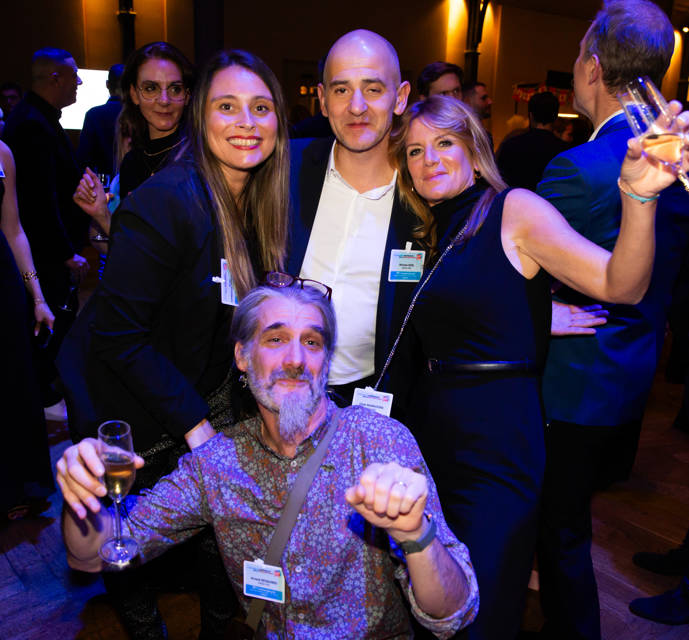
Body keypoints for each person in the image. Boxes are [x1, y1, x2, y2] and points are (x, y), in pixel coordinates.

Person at [385, 94, 687, 639]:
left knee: (482, 609)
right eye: (414, 151)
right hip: (428, 441)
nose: (429, 159)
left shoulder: (514, 209)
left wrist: (638, 197)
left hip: (497, 445)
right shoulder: (424, 230)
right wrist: (537, 316)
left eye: (445, 142)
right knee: (431, 601)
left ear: (474, 149)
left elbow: (621, 284)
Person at [56, 280, 479, 638]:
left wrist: (416, 536)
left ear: (325, 362)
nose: (295, 359)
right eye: (275, 339)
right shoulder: (217, 463)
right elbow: (92, 556)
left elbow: (452, 613)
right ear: (242, 356)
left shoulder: (378, 441)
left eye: (312, 342)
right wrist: (83, 497)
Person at [59, 48, 290, 639]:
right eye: (227, 106)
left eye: (260, 107)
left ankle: (216, 626)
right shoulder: (165, 200)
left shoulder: (256, 200)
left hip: (200, 384)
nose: (246, 122)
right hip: (130, 400)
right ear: (200, 116)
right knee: (127, 540)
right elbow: (117, 337)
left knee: (216, 534)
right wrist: (198, 427)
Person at [535, 2, 689, 637]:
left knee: (560, 534)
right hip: (630, 372)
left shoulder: (578, 168)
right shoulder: (674, 158)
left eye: (577, 55)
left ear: (593, 67)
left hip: (571, 381)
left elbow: (521, 274)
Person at [286, 29, 421, 405]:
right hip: (277, 392)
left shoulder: (424, 192)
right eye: (341, 89)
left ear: (400, 97)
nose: (356, 106)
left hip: (372, 401)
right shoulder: (284, 168)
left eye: (373, 89)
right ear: (322, 99)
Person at [3, 47, 89, 414]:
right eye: (74, 75)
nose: (79, 82)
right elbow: (40, 201)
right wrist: (66, 252)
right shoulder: (32, 124)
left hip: (41, 250)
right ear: (55, 78)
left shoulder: (37, 117)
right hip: (39, 255)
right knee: (48, 323)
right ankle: (46, 395)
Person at [73, 42, 194, 245]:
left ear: (187, 96)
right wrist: (102, 214)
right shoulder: (133, 162)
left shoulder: (199, 159)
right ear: (134, 94)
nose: (164, 100)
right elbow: (132, 249)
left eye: (175, 89)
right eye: (151, 88)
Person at [0, 140, 55, 519]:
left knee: (10, 384)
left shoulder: (2, 152)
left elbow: (14, 230)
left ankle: (12, 488)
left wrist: (37, 296)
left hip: (1, 282)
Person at [496, 91, 569, 191]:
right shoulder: (565, 151)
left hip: (516, 199)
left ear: (531, 116)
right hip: (548, 200)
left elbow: (498, 180)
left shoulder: (511, 145)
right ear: (556, 117)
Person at [77, 63, 124, 176]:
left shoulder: (93, 115)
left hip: (101, 183)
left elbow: (83, 159)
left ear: (107, 84)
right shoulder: (138, 115)